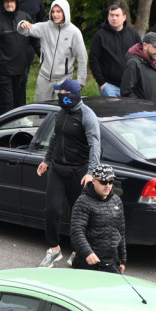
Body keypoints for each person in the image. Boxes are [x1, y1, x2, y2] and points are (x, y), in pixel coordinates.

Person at [37, 79, 101, 267]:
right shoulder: (61, 113)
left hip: (79, 172)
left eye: (62, 92)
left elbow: (95, 144)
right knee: (52, 210)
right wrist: (47, 160)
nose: (59, 95)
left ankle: (77, 251)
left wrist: (91, 172)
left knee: (78, 215)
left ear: (70, 95)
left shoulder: (87, 115)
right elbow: (55, 137)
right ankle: (54, 250)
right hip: (57, 169)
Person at [18, 0, 87, 102]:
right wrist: (22, 24)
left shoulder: (74, 32)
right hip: (44, 79)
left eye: (59, 11)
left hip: (63, 81)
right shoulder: (45, 27)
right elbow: (23, 31)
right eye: (53, 11)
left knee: (60, 112)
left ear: (65, 12)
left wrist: (80, 81)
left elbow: (82, 58)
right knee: (40, 112)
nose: (55, 14)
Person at [70, 163, 126, 274]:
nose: (108, 186)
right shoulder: (83, 201)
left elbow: (121, 231)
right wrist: (88, 253)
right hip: (88, 261)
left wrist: (123, 259)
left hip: (111, 262)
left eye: (110, 182)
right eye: (103, 182)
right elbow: (76, 231)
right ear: (94, 180)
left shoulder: (116, 201)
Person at [90, 3, 141, 97]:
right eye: (111, 15)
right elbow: (93, 60)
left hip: (131, 86)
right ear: (108, 16)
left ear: (124, 17)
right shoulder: (100, 36)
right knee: (112, 112)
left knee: (130, 111)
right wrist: (102, 83)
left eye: (117, 15)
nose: (114, 18)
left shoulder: (133, 34)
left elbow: (141, 56)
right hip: (109, 87)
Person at [120, 32, 156, 100]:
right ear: (145, 45)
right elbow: (126, 92)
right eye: (155, 47)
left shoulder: (155, 62)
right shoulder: (133, 64)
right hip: (143, 109)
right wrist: (141, 108)